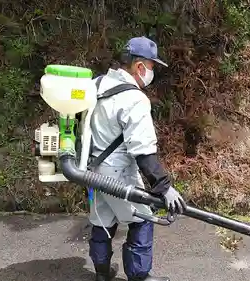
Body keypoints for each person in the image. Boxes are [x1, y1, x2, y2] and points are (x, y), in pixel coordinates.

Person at [87, 36, 187, 281]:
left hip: (92, 169)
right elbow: (143, 152)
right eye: (152, 67)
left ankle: (102, 273)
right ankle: (140, 276)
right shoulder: (135, 99)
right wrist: (164, 188)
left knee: (102, 220)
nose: (151, 73)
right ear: (139, 66)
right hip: (120, 174)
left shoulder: (97, 84)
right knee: (143, 219)